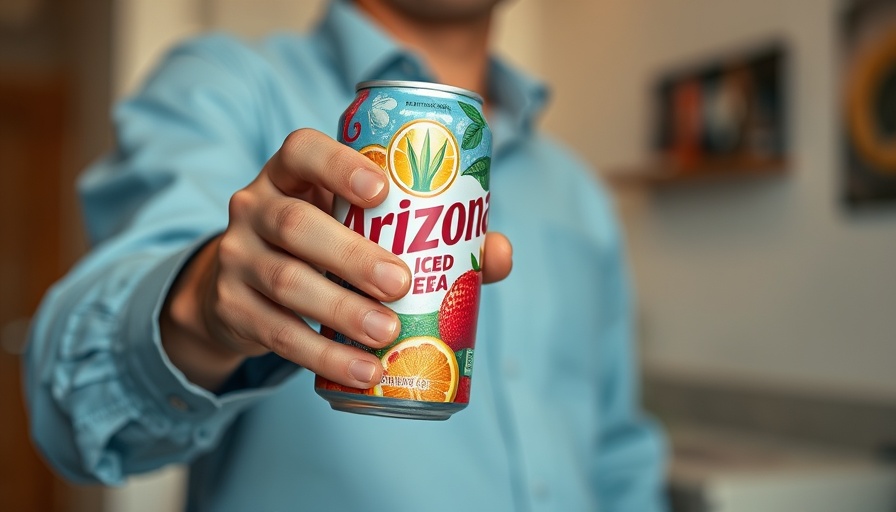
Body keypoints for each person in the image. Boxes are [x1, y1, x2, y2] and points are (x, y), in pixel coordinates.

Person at [24, 0, 668, 510]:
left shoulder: (580, 191)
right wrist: (199, 306)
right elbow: (70, 410)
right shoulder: (223, 86)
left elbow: (615, 451)